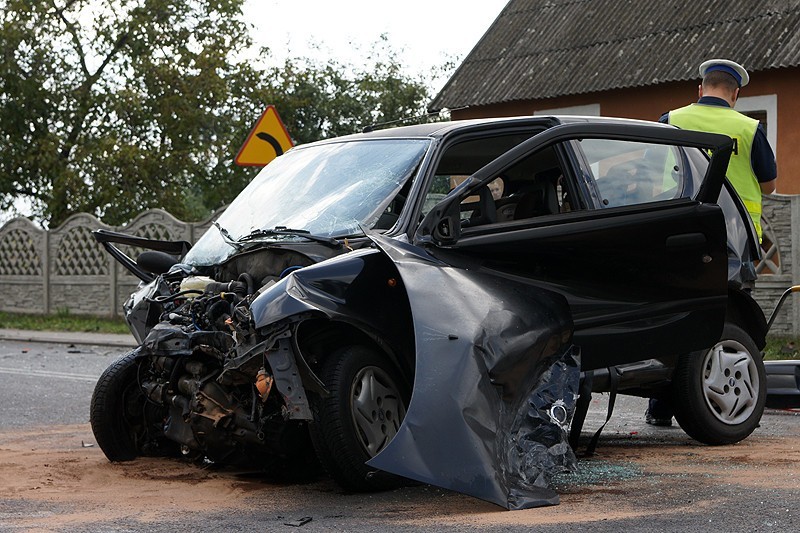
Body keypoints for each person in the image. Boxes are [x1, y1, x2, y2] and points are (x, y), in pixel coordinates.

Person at [646, 59, 778, 427]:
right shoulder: (750, 128)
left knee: (676, 313)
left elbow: (657, 178)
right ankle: (718, 399)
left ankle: (661, 407)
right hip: (735, 239)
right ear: (735, 94)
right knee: (728, 317)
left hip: (680, 235)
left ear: (699, 89)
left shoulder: (671, 120)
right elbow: (769, 184)